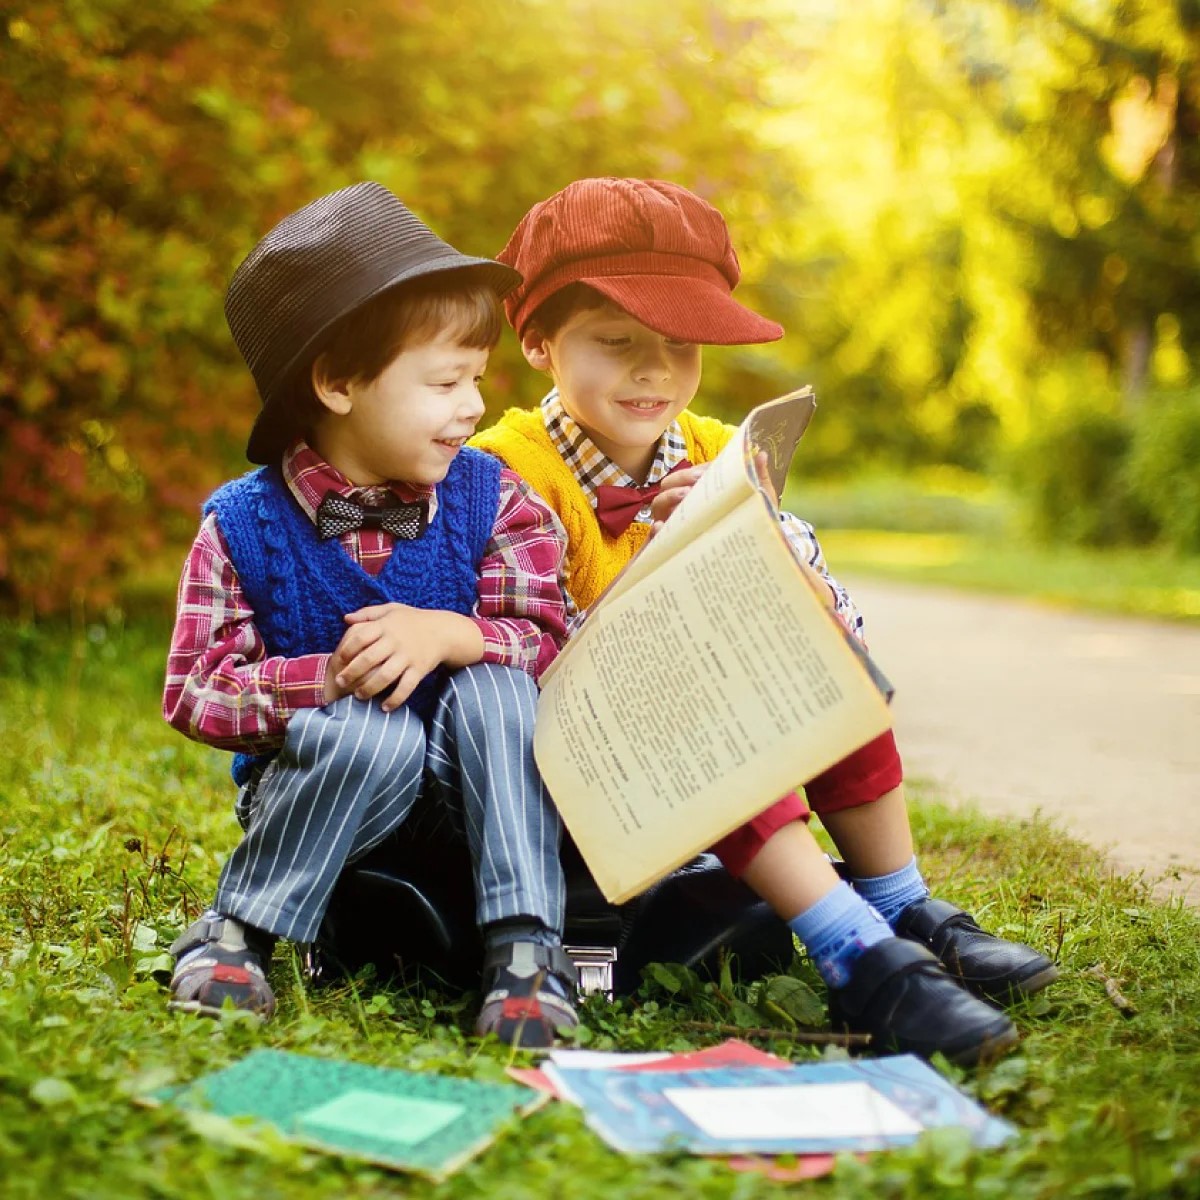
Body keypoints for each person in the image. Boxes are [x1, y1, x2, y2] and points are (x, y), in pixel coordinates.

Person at [472, 177, 1058, 1065]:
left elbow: (820, 601)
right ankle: (855, 954)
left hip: (686, 751)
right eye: (616, 342)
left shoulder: (716, 451)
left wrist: (753, 546)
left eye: (679, 345)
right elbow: (520, 659)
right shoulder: (503, 472)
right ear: (540, 342)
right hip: (563, 764)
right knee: (701, 697)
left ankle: (900, 903)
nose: (653, 372)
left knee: (821, 650)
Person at [162, 181, 579, 1047]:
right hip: (340, 802)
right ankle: (241, 932)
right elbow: (196, 691)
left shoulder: (493, 497)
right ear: (339, 381)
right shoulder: (244, 525)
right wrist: (322, 682)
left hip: (480, 794)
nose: (472, 405)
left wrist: (455, 634)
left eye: (477, 378)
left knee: (498, 689)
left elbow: (548, 641)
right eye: (444, 381)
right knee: (367, 727)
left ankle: (527, 953)